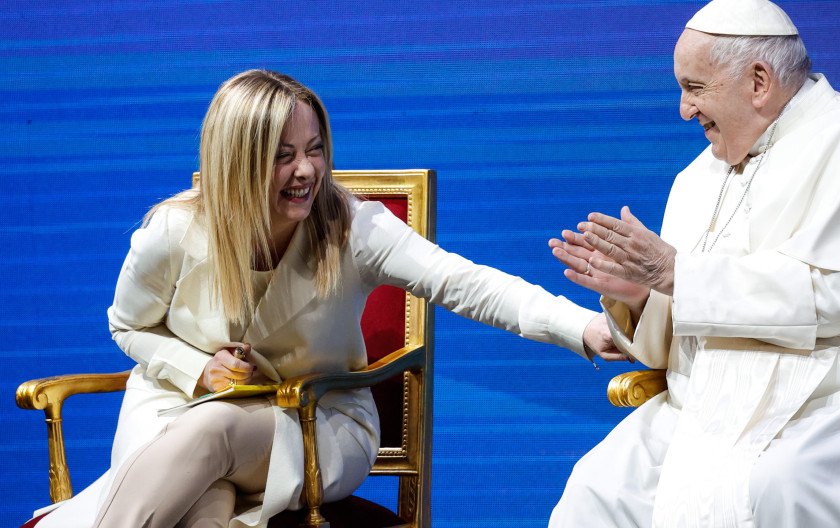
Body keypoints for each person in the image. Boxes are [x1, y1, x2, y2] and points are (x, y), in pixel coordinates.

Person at [29, 69, 622, 528]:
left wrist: (581, 328)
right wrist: (197, 368)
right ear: (237, 161)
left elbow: (467, 284)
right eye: (283, 155)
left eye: (314, 149)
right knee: (202, 509)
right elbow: (127, 327)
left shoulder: (354, 230)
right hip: (170, 410)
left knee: (213, 436)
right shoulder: (174, 231)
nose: (307, 170)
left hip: (314, 423)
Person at [547, 0, 840, 526]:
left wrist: (676, 275)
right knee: (595, 487)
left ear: (759, 81)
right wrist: (642, 299)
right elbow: (675, 344)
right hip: (704, 410)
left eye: (695, 87)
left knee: (778, 485)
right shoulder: (697, 177)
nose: (684, 109)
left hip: (836, 400)